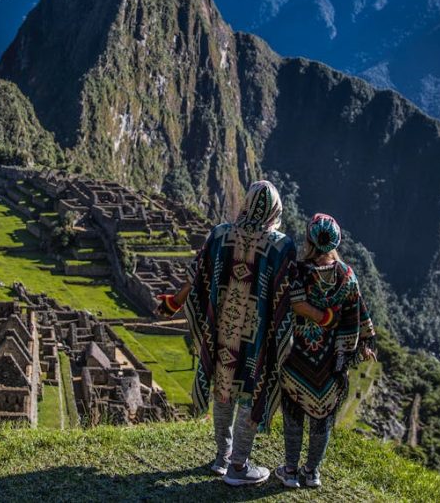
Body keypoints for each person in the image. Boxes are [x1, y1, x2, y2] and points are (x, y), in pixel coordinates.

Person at [158, 181, 322, 487]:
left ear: (246, 203)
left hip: (221, 332)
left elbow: (197, 276)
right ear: (275, 208)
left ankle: (222, 457)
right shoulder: (279, 245)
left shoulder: (220, 235)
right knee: (251, 391)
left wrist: (174, 303)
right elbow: (290, 293)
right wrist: (321, 313)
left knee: (223, 389)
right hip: (257, 338)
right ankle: (238, 466)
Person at [275, 213, 376, 489]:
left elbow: (294, 304)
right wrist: (365, 342)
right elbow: (358, 311)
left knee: (294, 413)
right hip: (333, 360)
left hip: (298, 357)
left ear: (309, 240)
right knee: (323, 418)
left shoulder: (299, 271)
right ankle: (312, 472)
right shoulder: (347, 275)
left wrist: (321, 317)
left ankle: (291, 471)